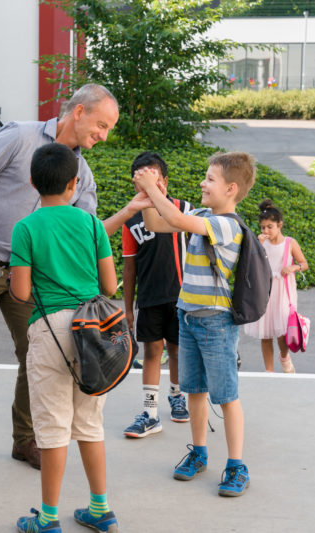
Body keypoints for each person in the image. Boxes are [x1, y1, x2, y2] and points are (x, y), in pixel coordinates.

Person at [0, 84, 121, 470]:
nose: (103, 136)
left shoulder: (81, 174)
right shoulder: (20, 137)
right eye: (101, 125)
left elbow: (87, 229)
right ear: (79, 112)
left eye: (108, 130)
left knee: (33, 352)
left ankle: (25, 439)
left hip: (27, 277)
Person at [132, 151, 257, 497]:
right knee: (195, 392)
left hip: (216, 322)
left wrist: (153, 189)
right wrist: (147, 196)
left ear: (231, 189)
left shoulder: (226, 224)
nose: (203, 183)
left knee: (227, 396)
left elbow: (173, 215)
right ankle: (199, 452)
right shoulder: (202, 214)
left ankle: (236, 465)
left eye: (210, 179)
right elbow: (158, 223)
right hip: (187, 317)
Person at [10, 143, 119, 533]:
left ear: (31, 183)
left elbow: (21, 293)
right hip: (93, 331)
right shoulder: (91, 224)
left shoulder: (25, 228)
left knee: (53, 426)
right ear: (74, 183)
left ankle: (49, 519)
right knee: (90, 423)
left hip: (50, 331)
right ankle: (100, 510)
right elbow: (109, 285)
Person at [122, 152, 192, 439]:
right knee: (152, 352)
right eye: (142, 182)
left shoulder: (185, 209)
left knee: (176, 350)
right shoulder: (131, 220)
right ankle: (150, 413)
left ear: (164, 181)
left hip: (183, 296)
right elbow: (129, 267)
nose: (149, 187)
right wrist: (127, 308)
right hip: (150, 296)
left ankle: (177, 396)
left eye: (155, 180)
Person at [243, 199, 308, 373]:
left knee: (282, 330)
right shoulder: (261, 242)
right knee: (265, 333)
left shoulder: (289, 243)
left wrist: (293, 267)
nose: (266, 231)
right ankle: (269, 371)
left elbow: (304, 263)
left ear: (280, 225)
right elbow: (251, 264)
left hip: (284, 291)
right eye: (263, 227)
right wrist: (258, 245)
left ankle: (284, 356)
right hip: (264, 290)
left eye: (269, 227)